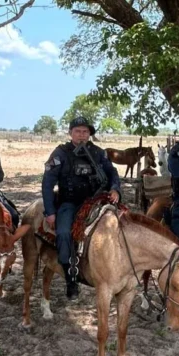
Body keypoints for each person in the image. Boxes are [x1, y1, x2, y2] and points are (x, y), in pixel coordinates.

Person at [41, 116, 121, 299]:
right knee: (63, 234)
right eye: (77, 131)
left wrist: (115, 189)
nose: (81, 135)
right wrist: (50, 212)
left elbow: (112, 173)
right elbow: (47, 183)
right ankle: (71, 278)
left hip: (96, 202)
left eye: (85, 132)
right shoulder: (60, 153)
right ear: (70, 133)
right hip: (69, 203)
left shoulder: (99, 153)